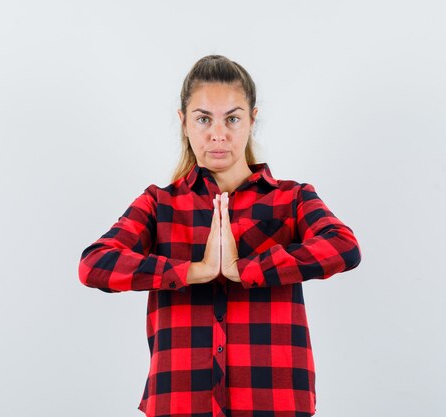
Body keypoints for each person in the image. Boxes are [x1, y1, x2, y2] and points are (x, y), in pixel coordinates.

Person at [78, 54, 362, 417]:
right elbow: (94, 265)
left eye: (232, 118)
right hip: (180, 403)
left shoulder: (292, 199)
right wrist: (195, 270)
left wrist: (245, 270)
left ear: (251, 120)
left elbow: (344, 246)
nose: (218, 134)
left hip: (274, 402)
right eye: (203, 119)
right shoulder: (159, 204)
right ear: (184, 122)